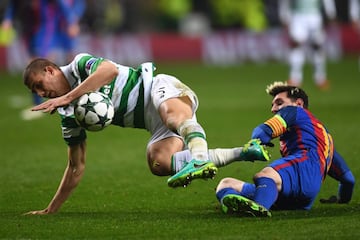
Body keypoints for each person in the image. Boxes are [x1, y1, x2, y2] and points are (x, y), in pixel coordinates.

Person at [22, 53, 270, 215]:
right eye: (36, 91)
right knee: (159, 163)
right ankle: (242, 152)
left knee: (173, 117)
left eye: (39, 85)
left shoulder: (79, 65)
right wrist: (50, 209)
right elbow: (76, 165)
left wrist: (67, 97)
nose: (41, 94)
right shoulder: (68, 115)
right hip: (152, 124)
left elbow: (109, 70)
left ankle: (198, 157)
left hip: (157, 87)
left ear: (51, 71)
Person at [215, 81, 355, 217]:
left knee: (264, 176)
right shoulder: (324, 140)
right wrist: (342, 199)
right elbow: (348, 180)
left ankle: (258, 208)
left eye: (279, 103)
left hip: (304, 166)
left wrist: (256, 143)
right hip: (304, 195)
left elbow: (263, 131)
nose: (273, 109)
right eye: (273, 104)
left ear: (299, 104)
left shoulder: (295, 111)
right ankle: (244, 203)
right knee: (226, 183)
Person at [1, 0, 85, 120]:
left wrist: (71, 21)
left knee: (37, 64)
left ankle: (43, 103)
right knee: (33, 64)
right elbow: (14, 4)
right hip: (28, 26)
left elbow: (62, 3)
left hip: (45, 25)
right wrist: (8, 19)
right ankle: (62, 98)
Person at [279, 0, 337, 90]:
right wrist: (284, 15)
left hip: (315, 15)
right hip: (297, 15)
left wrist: (330, 12)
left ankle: (320, 78)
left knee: (317, 46)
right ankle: (295, 78)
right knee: (296, 45)